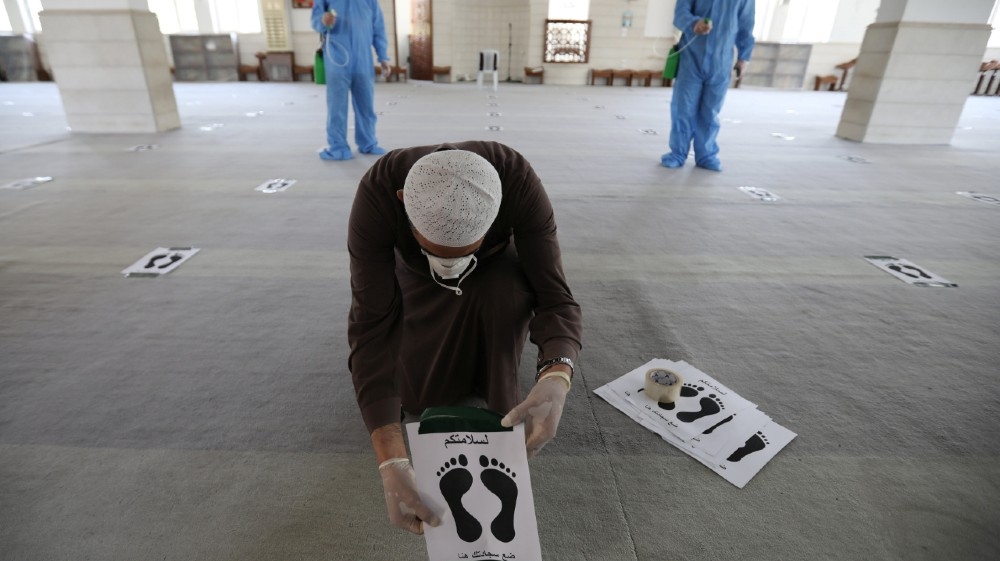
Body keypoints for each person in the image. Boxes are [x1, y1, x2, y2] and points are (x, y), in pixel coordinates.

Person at [347, 141, 583, 534]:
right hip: (415, 276)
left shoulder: (518, 182)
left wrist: (558, 375)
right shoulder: (379, 192)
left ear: (496, 215)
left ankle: (494, 365)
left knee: (503, 300)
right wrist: (390, 459)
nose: (452, 262)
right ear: (404, 202)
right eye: (441, 250)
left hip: (495, 270)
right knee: (418, 397)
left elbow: (556, 297)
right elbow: (371, 324)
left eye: (461, 250)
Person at [661, 0, 755, 171]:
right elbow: (680, 13)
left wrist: (744, 57)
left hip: (720, 63)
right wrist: (693, 23)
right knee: (683, 109)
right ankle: (677, 153)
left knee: (711, 112)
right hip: (691, 60)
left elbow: (746, 26)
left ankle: (706, 155)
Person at [311, 0, 392, 161]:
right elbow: (315, 21)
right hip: (336, 59)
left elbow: (378, 28)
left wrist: (383, 57)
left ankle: (368, 143)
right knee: (337, 107)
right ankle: (338, 147)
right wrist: (322, 20)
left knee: (366, 105)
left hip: (363, 59)